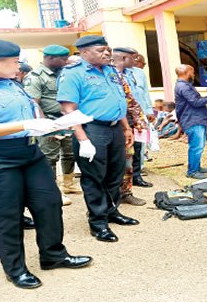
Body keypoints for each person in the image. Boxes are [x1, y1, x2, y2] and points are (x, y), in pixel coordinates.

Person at [0, 40, 91, 289]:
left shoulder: (11, 83)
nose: (18, 65)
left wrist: (48, 125)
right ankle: (16, 269)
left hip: (27, 152)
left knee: (49, 202)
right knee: (6, 214)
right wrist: (24, 126)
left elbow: (28, 114)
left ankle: (53, 255)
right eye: (14, 61)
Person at [57, 35, 139, 243]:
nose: (107, 53)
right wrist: (82, 139)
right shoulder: (73, 74)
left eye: (107, 49)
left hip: (114, 129)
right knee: (94, 177)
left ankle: (112, 211)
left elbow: (117, 100)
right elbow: (68, 109)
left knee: (115, 173)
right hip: (92, 129)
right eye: (100, 50)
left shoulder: (110, 71)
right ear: (84, 53)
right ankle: (98, 222)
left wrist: (126, 128)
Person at [23, 44, 81, 207]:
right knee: (50, 157)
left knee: (69, 153)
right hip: (49, 121)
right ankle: (53, 189)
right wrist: (46, 126)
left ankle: (68, 184)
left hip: (67, 120)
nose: (65, 61)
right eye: (62, 59)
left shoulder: (64, 73)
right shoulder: (35, 77)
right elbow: (34, 104)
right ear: (49, 58)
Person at [113, 47, 149, 206]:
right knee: (110, 163)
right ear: (123, 58)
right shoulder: (109, 75)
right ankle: (107, 199)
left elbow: (132, 100)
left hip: (128, 126)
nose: (135, 61)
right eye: (132, 58)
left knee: (128, 159)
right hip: (110, 126)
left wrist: (139, 119)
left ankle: (126, 192)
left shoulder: (129, 75)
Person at [174, 64, 207, 179]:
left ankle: (196, 167)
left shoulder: (184, 85)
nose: (193, 75)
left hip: (194, 118)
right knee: (196, 146)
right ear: (186, 72)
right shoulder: (184, 87)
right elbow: (196, 102)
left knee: (198, 145)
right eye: (192, 72)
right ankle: (192, 171)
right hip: (192, 119)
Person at [130, 52, 155, 185]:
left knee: (139, 145)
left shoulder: (139, 73)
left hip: (139, 115)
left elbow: (144, 93)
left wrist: (149, 111)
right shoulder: (113, 72)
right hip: (123, 116)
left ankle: (137, 175)